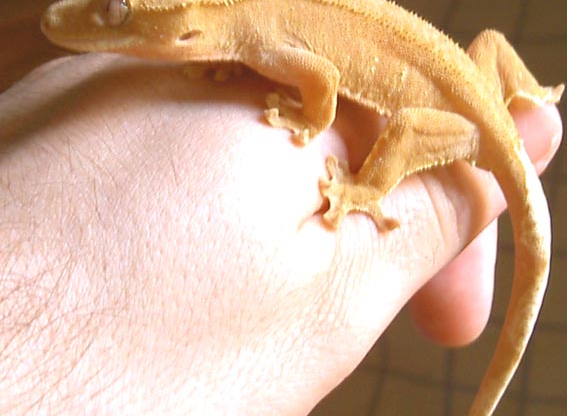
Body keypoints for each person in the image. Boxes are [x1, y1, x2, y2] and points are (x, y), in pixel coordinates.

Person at [0, 54, 562, 415]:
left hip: (462, 125)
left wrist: (360, 190)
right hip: (460, 86)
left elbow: (370, 103)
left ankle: (372, 187)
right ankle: (531, 91)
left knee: (413, 125)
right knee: (487, 47)